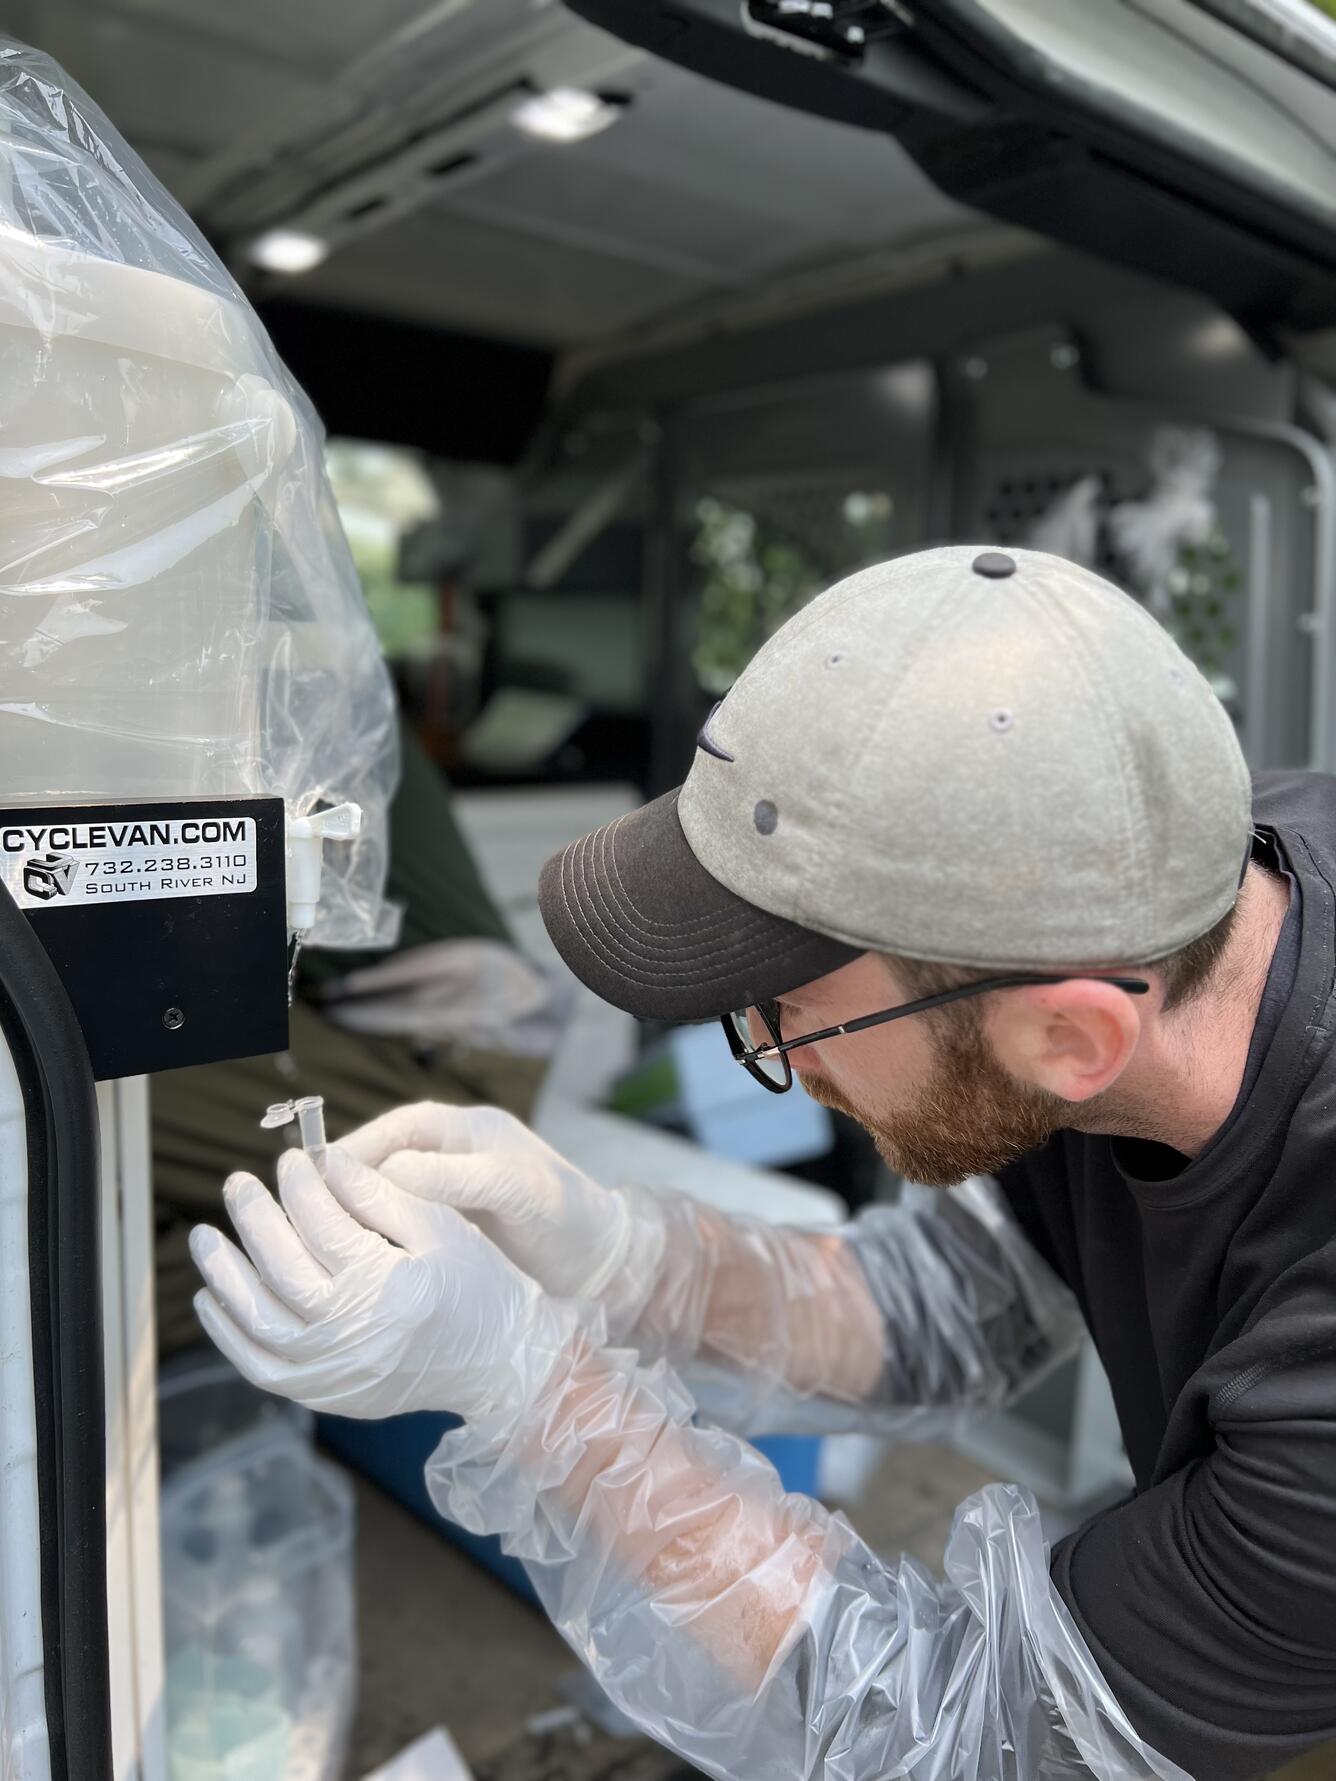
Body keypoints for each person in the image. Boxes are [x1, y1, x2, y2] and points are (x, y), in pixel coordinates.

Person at [189, 546, 1336, 1780]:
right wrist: (619, 1256)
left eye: (797, 1009)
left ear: (1070, 1035)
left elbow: (969, 1738)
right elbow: (956, 1303)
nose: (772, 1053)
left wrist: (535, 1396)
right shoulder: (1157, 868)